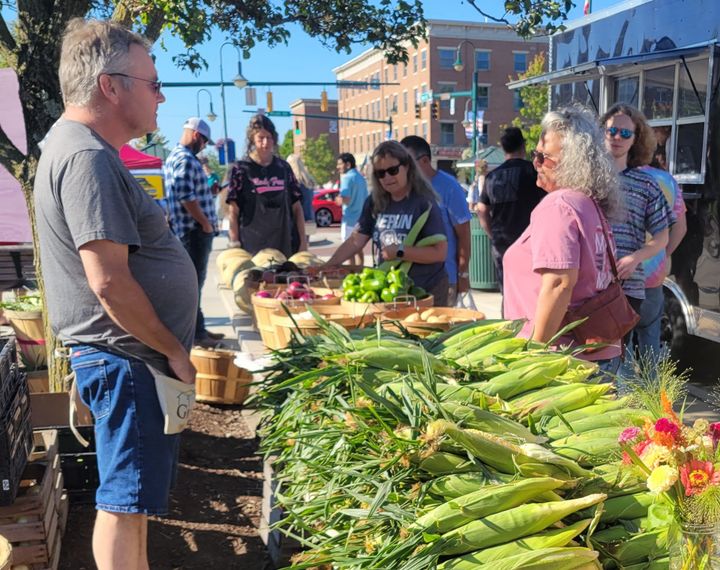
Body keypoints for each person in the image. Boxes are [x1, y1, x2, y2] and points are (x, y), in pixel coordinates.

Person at [34, 19, 197, 570]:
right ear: (111, 85)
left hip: (124, 359)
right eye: (152, 83)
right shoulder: (88, 157)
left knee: (133, 504)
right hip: (127, 359)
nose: (160, 95)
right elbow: (109, 281)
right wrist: (173, 350)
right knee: (124, 504)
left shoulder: (81, 149)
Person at [503, 107, 623, 364]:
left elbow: (559, 284)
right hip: (596, 351)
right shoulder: (588, 204)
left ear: (572, 164)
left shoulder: (558, 206)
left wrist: (534, 355)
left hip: (562, 358)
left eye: (543, 157)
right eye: (535, 154)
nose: (535, 163)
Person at [324, 141, 449, 305]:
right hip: (390, 291)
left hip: (425, 291)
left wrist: (400, 251)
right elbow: (355, 241)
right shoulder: (374, 202)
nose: (387, 177)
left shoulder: (424, 203)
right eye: (380, 173)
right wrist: (327, 266)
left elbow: (439, 253)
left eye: (393, 170)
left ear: (407, 167)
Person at [600, 104, 672, 340]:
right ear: (602, 132)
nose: (617, 137)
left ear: (636, 140)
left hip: (626, 288)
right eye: (612, 131)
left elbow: (662, 237)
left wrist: (635, 258)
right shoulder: (585, 179)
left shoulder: (647, 184)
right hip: (587, 285)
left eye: (626, 133)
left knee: (615, 357)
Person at [164, 118, 223, 346]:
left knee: (193, 285)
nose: (204, 146)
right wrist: (205, 223)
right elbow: (186, 196)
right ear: (197, 136)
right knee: (194, 285)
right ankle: (197, 334)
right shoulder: (186, 160)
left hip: (188, 230)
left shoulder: (175, 158)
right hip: (194, 232)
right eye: (204, 141)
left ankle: (199, 330)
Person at [401, 136, 472, 305]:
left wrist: (463, 275)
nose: (402, 168)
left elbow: (464, 235)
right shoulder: (403, 189)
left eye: (407, 163)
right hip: (408, 280)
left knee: (440, 329)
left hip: (444, 280)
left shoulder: (449, 187)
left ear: (424, 160)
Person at [476, 127, 545, 293]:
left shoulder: (492, 177)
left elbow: (481, 210)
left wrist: (493, 234)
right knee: (530, 292)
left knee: (507, 292)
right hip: (529, 242)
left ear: (504, 148)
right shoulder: (532, 172)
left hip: (501, 242)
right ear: (523, 146)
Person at [226, 114, 307, 255]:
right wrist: (235, 243)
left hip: (284, 245)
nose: (265, 143)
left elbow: (297, 208)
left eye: (268, 138)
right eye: (260, 138)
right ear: (252, 139)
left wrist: (303, 242)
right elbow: (233, 211)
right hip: (251, 247)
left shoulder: (284, 168)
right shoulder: (240, 169)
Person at [632, 161, 686, 358]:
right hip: (655, 276)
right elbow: (681, 229)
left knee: (622, 350)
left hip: (625, 274)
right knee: (651, 344)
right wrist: (662, 253)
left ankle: (625, 388)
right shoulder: (668, 180)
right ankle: (651, 388)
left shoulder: (621, 176)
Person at [336, 152, 369, 267]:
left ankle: (352, 270)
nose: (338, 167)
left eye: (340, 164)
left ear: (348, 164)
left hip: (349, 218)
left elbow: (346, 199)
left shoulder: (347, 178)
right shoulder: (361, 178)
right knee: (359, 248)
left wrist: (338, 199)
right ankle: (360, 268)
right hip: (361, 218)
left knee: (349, 247)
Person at [286, 153, 317, 244]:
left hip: (298, 219)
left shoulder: (294, 183)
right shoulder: (308, 181)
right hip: (310, 217)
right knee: (305, 246)